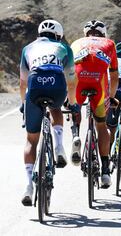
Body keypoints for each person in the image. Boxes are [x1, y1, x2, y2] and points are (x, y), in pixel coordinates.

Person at [19, 19, 78, 205]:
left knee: (31, 139)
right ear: (58, 35)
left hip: (35, 85)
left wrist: (23, 103)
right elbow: (71, 80)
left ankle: (28, 186)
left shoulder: (27, 48)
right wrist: (73, 103)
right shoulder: (64, 47)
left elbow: (23, 82)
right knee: (55, 108)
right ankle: (59, 146)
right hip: (56, 83)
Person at [71, 20, 119, 188]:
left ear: (86, 34)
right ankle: (105, 171)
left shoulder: (76, 43)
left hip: (78, 83)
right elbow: (114, 76)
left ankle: (75, 134)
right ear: (103, 34)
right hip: (98, 84)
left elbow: (68, 70)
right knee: (101, 125)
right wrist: (111, 97)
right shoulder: (110, 44)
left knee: (74, 110)